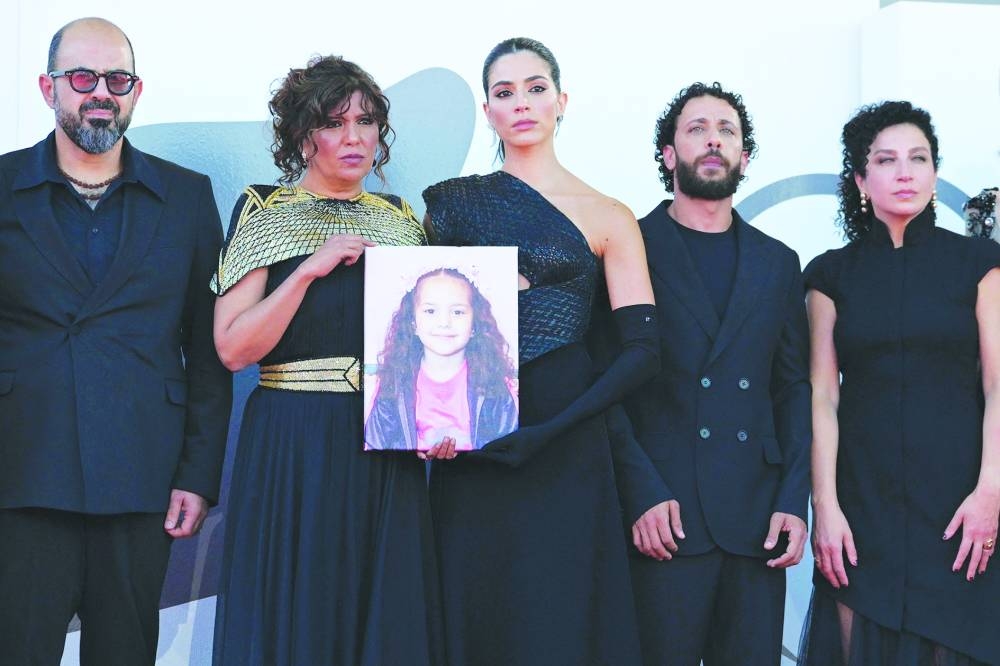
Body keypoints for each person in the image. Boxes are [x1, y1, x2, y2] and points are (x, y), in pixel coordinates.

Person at [0, 16, 232, 666]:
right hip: (22, 474)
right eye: (82, 77)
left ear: (135, 90)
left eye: (117, 79)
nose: (100, 91)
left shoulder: (186, 197)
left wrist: (198, 475)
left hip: (141, 477)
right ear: (48, 88)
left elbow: (208, 349)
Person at [423, 37, 659, 665]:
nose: (521, 103)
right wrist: (433, 423)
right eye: (505, 92)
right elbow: (423, 327)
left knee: (561, 614)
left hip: (570, 436)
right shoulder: (452, 202)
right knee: (476, 606)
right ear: (488, 110)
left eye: (535, 88)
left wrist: (554, 428)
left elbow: (642, 350)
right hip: (474, 435)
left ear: (561, 100)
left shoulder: (610, 215)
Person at [210, 55, 445, 666]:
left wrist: (436, 419)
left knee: (382, 615)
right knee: (295, 612)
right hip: (292, 440)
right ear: (303, 135)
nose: (353, 138)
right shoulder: (264, 212)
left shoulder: (402, 223)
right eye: (334, 123)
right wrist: (307, 272)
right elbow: (233, 349)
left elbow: (427, 349)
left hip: (383, 446)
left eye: (366, 123)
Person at [610, 82, 811, 666]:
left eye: (726, 130)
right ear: (669, 154)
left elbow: (792, 388)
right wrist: (641, 491)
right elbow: (606, 383)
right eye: (696, 129)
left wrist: (792, 499)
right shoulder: (630, 248)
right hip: (664, 519)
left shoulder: (778, 261)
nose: (714, 141)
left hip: (756, 521)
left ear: (744, 157)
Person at [799, 101, 1000, 665]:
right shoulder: (830, 274)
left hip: (961, 506)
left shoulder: (981, 264)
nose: (905, 171)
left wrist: (991, 491)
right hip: (863, 505)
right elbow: (822, 395)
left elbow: (998, 383)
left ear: (935, 172)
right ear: (861, 180)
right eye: (886, 160)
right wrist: (827, 507)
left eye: (919, 158)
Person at [365, 267, 518, 451]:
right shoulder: (393, 384)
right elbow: (376, 445)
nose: (444, 322)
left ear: (474, 325)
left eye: (457, 312)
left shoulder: (494, 385)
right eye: (430, 311)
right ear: (413, 323)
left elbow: (509, 446)